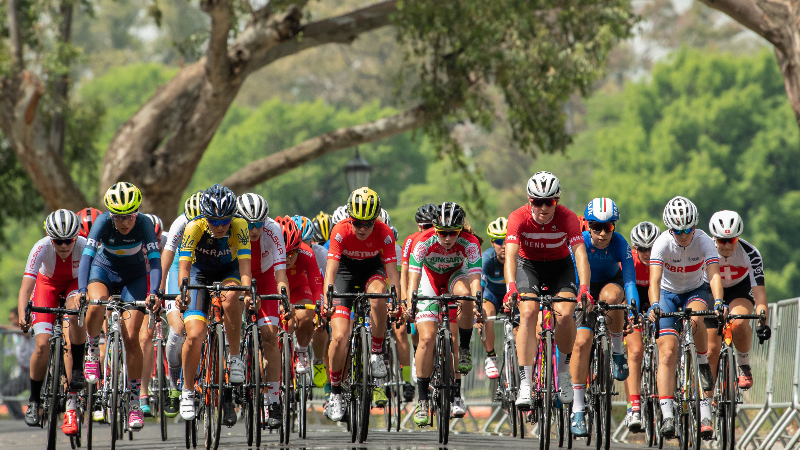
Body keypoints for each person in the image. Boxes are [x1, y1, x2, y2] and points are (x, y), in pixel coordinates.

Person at [503, 171, 591, 412]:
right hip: (528, 266)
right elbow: (510, 255)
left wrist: (584, 289)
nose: (543, 207)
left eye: (549, 201)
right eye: (537, 201)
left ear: (557, 201)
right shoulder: (517, 218)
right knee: (529, 312)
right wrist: (511, 287)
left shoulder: (567, 218)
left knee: (564, 313)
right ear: (529, 200)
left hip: (558, 267)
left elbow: (580, 254)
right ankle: (525, 383)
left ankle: (564, 372)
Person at [80, 183, 162, 432]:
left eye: (129, 216)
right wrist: (83, 290)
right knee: (96, 305)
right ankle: (93, 349)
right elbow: (86, 257)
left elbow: (155, 261)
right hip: (103, 271)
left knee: (131, 338)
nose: (125, 222)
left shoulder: (144, 224)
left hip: (134, 278)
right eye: (119, 217)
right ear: (111, 214)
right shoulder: (103, 222)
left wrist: (154, 292)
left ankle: (135, 402)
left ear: (136, 213)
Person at [176, 184, 253, 426]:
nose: (220, 226)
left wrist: (247, 292)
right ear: (205, 217)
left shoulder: (240, 226)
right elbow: (185, 268)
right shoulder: (194, 227)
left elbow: (244, 267)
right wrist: (183, 292)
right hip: (200, 274)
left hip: (229, 271)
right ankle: (188, 391)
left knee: (233, 296)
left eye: (224, 221)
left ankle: (234, 357)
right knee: (195, 334)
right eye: (214, 221)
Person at [648, 196, 723, 440]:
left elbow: (713, 276)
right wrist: (655, 305)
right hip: (667, 295)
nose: (683, 235)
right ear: (670, 228)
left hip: (695, 291)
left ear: (695, 226)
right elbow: (655, 282)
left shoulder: (703, 241)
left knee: (696, 319)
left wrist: (719, 301)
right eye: (677, 230)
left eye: (687, 229)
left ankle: (702, 364)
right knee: (668, 352)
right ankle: (667, 414)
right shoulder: (662, 243)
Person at [323, 187, 400, 422]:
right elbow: (331, 270)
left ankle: (376, 352)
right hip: (345, 273)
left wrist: (395, 300)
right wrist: (326, 298)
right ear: (350, 219)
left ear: (376, 219)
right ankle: (335, 391)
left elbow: (392, 274)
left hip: (371, 271)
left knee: (379, 295)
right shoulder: (340, 231)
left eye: (368, 223)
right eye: (358, 223)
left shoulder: (385, 233)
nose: (363, 229)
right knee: (339, 337)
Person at [405, 202, 482, 425]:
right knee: (427, 338)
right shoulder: (423, 242)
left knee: (466, 297)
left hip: (455, 275)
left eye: (452, 233)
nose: (447, 238)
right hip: (429, 280)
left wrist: (477, 302)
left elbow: (475, 278)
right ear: (435, 229)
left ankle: (464, 348)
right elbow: (414, 279)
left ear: (461, 230)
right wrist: (411, 304)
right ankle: (422, 400)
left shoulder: (470, 242)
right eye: (443, 233)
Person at [569, 198, 640, 437]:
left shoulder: (620, 243)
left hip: (611, 284)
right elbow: (574, 274)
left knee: (612, 297)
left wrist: (634, 308)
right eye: (595, 227)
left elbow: (629, 280)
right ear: (587, 226)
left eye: (607, 227)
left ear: (614, 227)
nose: (601, 233)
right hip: (584, 286)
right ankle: (578, 408)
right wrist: (582, 295)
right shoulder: (580, 243)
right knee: (580, 343)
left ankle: (618, 352)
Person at [17, 210, 86, 434]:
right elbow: (27, 285)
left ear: (76, 237)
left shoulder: (84, 246)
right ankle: (35, 399)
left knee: (74, 315)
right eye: (59, 241)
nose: (64, 245)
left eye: (69, 241)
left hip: (74, 285)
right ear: (50, 237)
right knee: (42, 344)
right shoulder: (41, 247)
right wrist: (22, 313)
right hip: (47, 287)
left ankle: (76, 370)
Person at [237, 194, 289, 429]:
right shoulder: (233, 229)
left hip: (266, 276)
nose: (255, 229)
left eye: (259, 223)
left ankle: (274, 400)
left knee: (269, 334)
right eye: (249, 224)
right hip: (238, 276)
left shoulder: (273, 230)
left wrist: (283, 298)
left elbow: (280, 274)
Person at [704, 211, 770, 390]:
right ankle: (707, 405)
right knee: (711, 350)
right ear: (714, 238)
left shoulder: (750, 253)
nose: (726, 246)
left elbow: (760, 294)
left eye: (731, 240)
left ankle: (743, 365)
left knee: (739, 322)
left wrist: (763, 322)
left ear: (738, 237)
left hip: (738, 290)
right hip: (709, 289)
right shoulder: (704, 249)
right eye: (721, 240)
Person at [158, 191, 203, 417]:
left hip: (203, 267)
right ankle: (174, 380)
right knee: (178, 328)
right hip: (179, 265)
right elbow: (166, 259)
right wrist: (158, 290)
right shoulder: (179, 223)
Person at [621, 221, 661, 432]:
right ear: (635, 249)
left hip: (656, 302)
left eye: (651, 248)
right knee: (635, 351)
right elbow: (625, 291)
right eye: (642, 249)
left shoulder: (663, 261)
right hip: (634, 302)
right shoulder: (629, 263)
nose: (647, 253)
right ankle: (633, 407)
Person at [137, 213, 167, 416]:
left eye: (155, 241)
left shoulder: (166, 241)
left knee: (148, 337)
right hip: (137, 281)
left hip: (158, 283)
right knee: (140, 336)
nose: (151, 246)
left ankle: (144, 391)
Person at [479, 217, 508, 380]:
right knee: (485, 313)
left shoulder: (519, 258)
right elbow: (480, 288)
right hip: (492, 296)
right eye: (498, 241)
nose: (503, 245)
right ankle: (491, 356)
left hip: (512, 296)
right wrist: (477, 309)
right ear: (492, 243)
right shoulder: (487, 259)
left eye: (506, 240)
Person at [2, 307, 36, 420]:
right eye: (10, 319)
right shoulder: (13, 332)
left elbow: (25, 333)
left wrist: (2, 326)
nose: (12, 321)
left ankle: (40, 417)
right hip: (24, 371)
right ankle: (19, 418)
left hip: (36, 371)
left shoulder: (31, 327)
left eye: (13, 318)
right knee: (7, 391)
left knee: (36, 397)